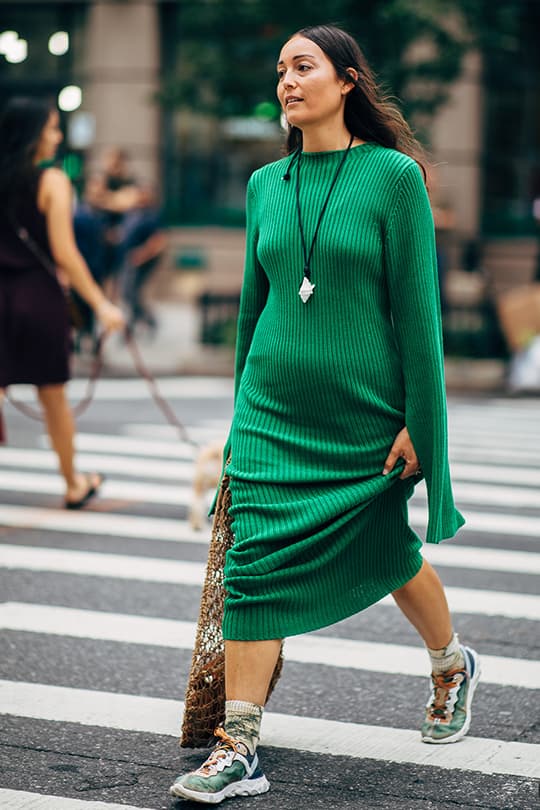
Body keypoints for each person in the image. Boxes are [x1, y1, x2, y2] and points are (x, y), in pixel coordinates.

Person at [170, 25, 479, 805]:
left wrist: (421, 419)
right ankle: (238, 744)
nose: (287, 80)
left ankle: (450, 664)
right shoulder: (265, 186)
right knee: (254, 566)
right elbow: (254, 309)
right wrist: (241, 415)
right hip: (273, 413)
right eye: (280, 69)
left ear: (346, 81)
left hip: (365, 418)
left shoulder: (392, 178)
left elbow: (418, 314)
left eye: (303, 66)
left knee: (386, 549)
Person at [0, 97, 124, 508]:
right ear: (34, 133)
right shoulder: (51, 181)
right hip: (38, 298)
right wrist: (102, 304)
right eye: (52, 128)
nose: (57, 137)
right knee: (53, 397)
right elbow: (65, 253)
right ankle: (73, 483)